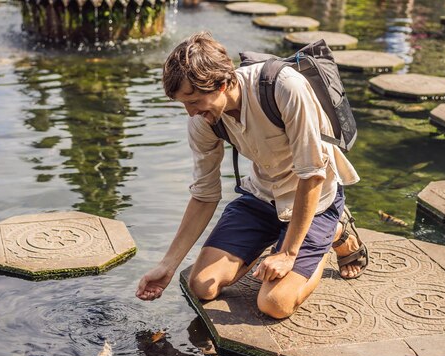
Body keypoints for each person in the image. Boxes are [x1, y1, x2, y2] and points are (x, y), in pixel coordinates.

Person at [136, 32, 367, 319]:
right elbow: (204, 194)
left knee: (274, 304)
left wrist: (288, 254)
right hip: (261, 196)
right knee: (201, 287)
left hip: (313, 200)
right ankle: (275, 239)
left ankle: (335, 230)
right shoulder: (201, 120)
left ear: (221, 84)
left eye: (194, 100)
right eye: (183, 103)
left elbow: (312, 175)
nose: (191, 112)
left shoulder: (284, 87)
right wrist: (168, 265)